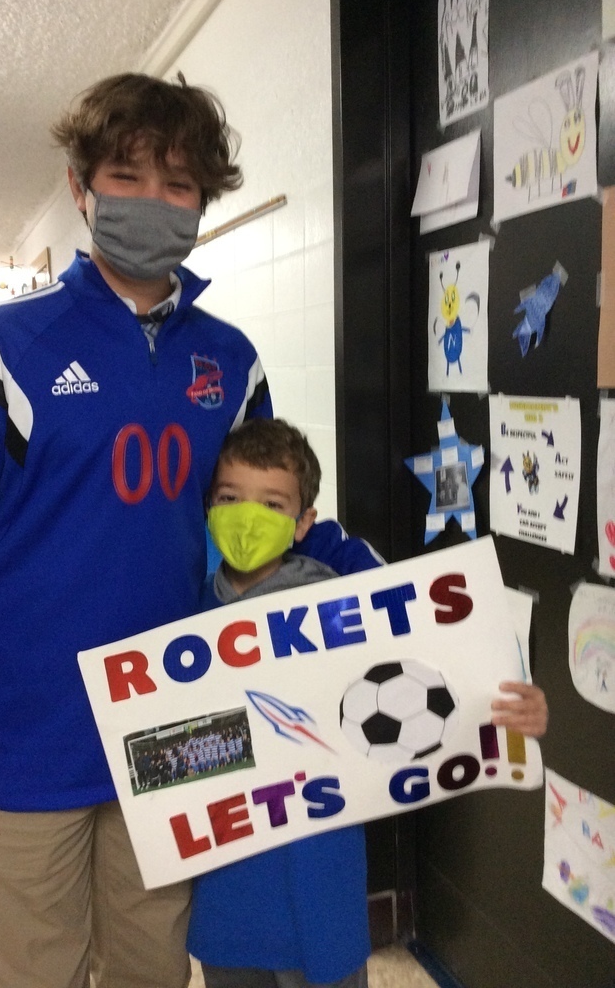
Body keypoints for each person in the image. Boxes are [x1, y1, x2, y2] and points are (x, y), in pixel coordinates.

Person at [0, 72, 361, 988]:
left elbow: (269, 521)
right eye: (127, 177)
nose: (153, 203)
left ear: (205, 201)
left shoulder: (230, 359)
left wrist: (409, 604)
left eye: (179, 186)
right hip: (26, 748)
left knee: (151, 973)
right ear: (79, 185)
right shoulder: (0, 347)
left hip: (176, 734)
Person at [187, 417, 549, 988]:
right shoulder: (183, 617)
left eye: (273, 505)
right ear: (208, 505)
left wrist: (512, 700)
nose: (246, 517)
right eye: (230, 499)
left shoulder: (345, 599)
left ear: (305, 522)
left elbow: (443, 655)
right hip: (229, 889)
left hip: (321, 874)